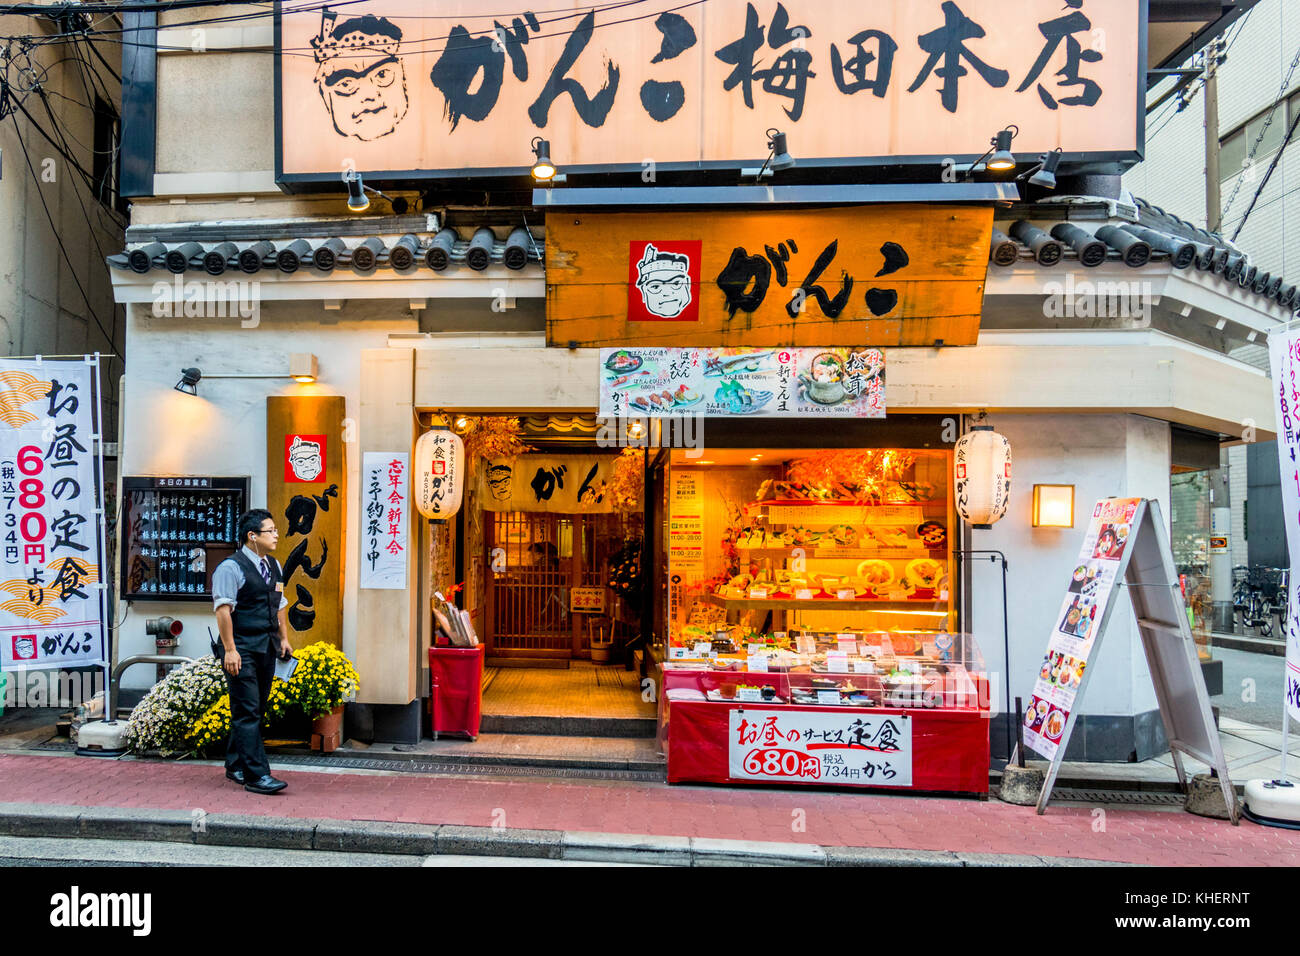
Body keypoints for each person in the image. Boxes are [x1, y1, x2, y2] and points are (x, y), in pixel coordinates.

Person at [212, 509, 293, 795]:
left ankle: (234, 763)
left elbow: (279, 604)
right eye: (270, 530)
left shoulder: (274, 565)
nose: (276, 535)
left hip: (266, 646)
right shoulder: (230, 568)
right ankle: (256, 775)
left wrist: (284, 639)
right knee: (247, 710)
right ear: (252, 536)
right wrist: (230, 650)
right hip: (241, 647)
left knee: (255, 707)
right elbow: (223, 611)